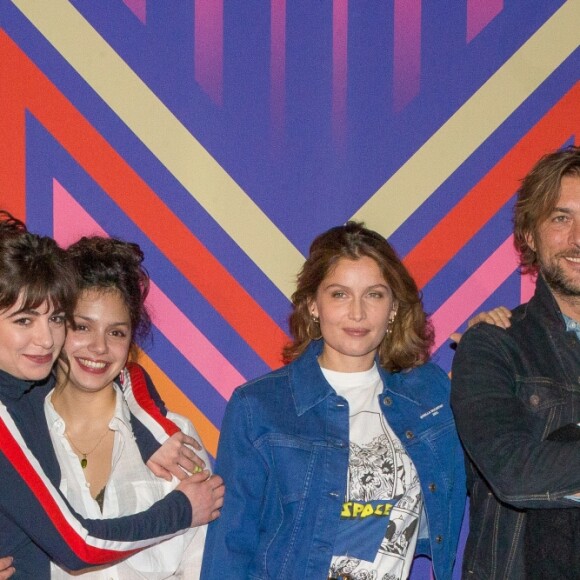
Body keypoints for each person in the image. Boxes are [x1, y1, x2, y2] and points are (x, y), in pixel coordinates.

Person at [201, 221, 466, 579]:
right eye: (339, 294)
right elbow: (230, 547)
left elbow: (491, 470)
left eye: (374, 294)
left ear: (393, 308)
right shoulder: (260, 406)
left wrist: (491, 355)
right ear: (313, 304)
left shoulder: (428, 394)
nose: (357, 313)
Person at [0, 214, 224, 578]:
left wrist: (149, 418)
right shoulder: (20, 421)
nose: (99, 347)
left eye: (117, 333)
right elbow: (79, 546)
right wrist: (181, 509)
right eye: (81, 326)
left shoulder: (171, 435)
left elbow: (199, 566)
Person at [451, 145, 580, 579]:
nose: (578, 237)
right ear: (529, 234)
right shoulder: (493, 346)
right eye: (561, 219)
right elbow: (512, 473)